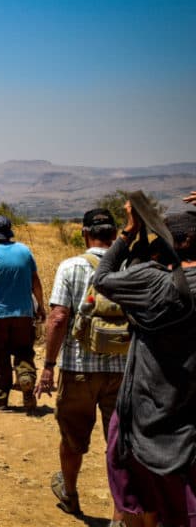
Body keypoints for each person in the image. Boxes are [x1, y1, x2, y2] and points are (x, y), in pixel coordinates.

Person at [92, 196, 196, 527]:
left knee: (144, 495)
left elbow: (103, 277)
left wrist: (127, 233)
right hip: (189, 416)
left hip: (143, 413)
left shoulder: (149, 281)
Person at [34, 208, 126, 522]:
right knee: (120, 443)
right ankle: (119, 514)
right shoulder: (132, 267)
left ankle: (71, 496)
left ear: (85, 233)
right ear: (114, 235)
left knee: (73, 438)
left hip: (78, 368)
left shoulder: (71, 267)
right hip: (125, 371)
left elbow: (59, 318)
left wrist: (48, 365)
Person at [0, 215, 46, 413]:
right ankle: (27, 390)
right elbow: (35, 281)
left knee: (1, 357)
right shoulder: (25, 251)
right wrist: (40, 306)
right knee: (24, 353)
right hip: (24, 313)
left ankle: (0, 399)